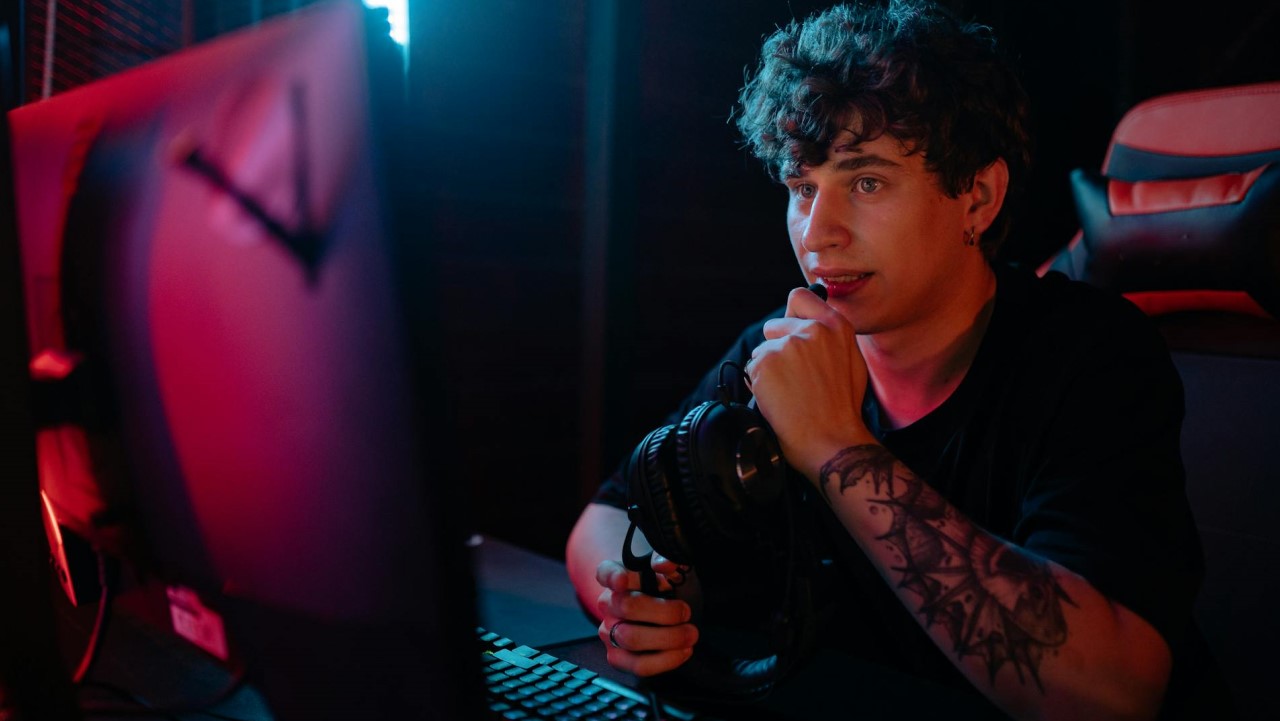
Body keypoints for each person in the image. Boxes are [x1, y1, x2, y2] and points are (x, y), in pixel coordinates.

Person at [566, 1, 1219, 719]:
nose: (818, 233)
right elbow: (606, 516)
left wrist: (835, 445)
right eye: (803, 188)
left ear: (978, 196)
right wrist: (646, 598)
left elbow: (1113, 694)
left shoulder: (1092, 355)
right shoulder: (774, 351)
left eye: (866, 182)